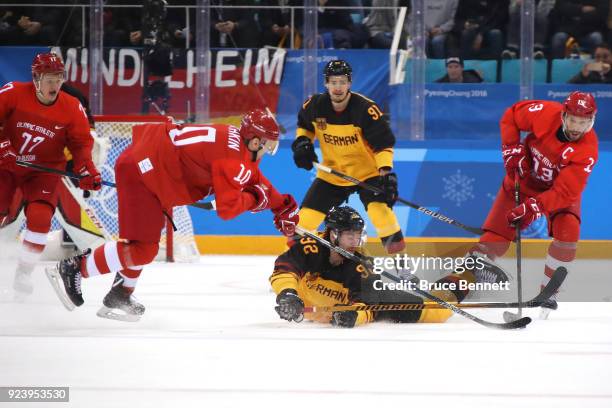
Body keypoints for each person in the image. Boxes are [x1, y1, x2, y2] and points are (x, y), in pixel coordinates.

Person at [46, 109, 300, 322]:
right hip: (144, 173)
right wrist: (258, 199)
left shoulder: (233, 137)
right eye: (267, 146)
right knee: (143, 248)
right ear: (255, 142)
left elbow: (252, 177)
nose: (267, 152)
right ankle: (74, 268)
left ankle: (121, 293)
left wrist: (281, 204)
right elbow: (228, 208)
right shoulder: (232, 159)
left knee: (143, 241)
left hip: (148, 165)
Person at [471, 91, 598, 316]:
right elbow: (511, 115)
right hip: (522, 179)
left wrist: (534, 208)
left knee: (568, 231)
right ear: (563, 115)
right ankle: (462, 281)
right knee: (494, 240)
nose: (577, 127)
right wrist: (511, 148)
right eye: (573, 120)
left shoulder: (587, 150)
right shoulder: (545, 113)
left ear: (591, 121)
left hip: (556, 192)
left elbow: (565, 192)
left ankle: (549, 292)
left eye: (583, 122)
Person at [269, 206, 503, 327]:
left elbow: (366, 306)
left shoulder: (360, 266)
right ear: (332, 234)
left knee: (437, 310)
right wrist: (288, 295)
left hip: (377, 299)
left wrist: (354, 317)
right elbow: (283, 269)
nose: (354, 240)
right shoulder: (311, 247)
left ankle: (469, 271)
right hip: (319, 302)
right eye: (349, 234)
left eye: (357, 234)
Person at [0, 52, 99, 296]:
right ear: (36, 79)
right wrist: (3, 146)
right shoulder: (11, 92)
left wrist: (86, 169)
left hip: (43, 171)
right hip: (7, 167)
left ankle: (24, 272)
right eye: (49, 79)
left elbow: (80, 144)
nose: (55, 85)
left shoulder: (72, 107)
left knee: (41, 218)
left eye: (58, 78)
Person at [292, 60, 405, 254]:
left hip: (367, 174)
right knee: (302, 224)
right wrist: (302, 143)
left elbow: (383, 144)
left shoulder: (365, 109)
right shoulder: (314, 105)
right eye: (333, 82)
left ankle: (403, 270)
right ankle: (294, 266)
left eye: (342, 82)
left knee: (382, 216)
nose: (338, 87)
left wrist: (385, 175)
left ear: (350, 83)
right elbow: (305, 127)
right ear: (326, 83)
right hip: (333, 173)